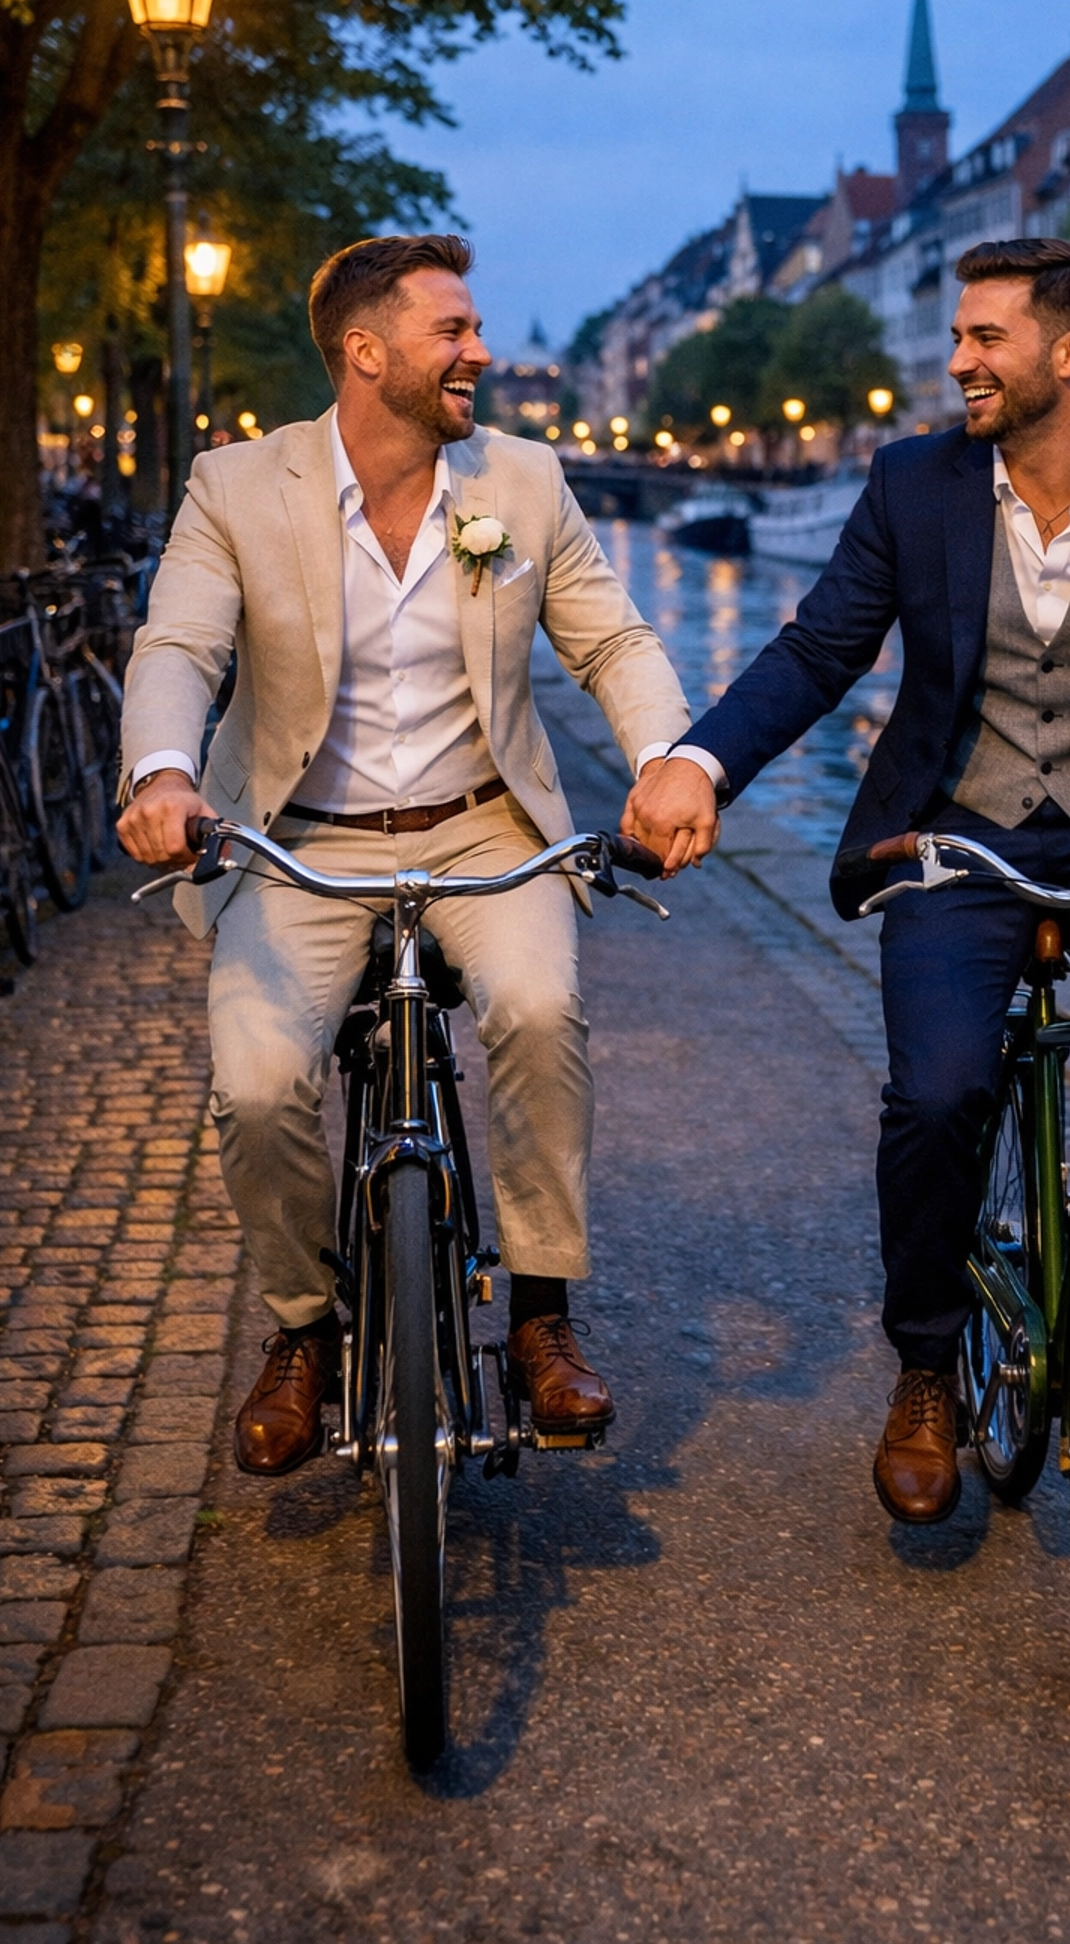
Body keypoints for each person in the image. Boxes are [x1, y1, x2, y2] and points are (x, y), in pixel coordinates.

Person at [625, 236, 1070, 1526]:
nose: (958, 361)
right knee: (942, 1088)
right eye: (957, 338)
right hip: (963, 830)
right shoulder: (915, 487)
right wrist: (700, 765)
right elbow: (817, 649)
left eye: (984, 338)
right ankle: (925, 1365)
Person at [118, 233, 690, 1475]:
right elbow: (179, 650)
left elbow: (612, 640)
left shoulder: (523, 481)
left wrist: (667, 760)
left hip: (485, 824)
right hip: (296, 841)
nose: (480, 351)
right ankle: (303, 1330)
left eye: (474, 329)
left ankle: (540, 1311)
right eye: (454, 332)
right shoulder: (236, 485)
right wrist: (163, 774)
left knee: (540, 1011)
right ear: (365, 353)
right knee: (261, 1085)